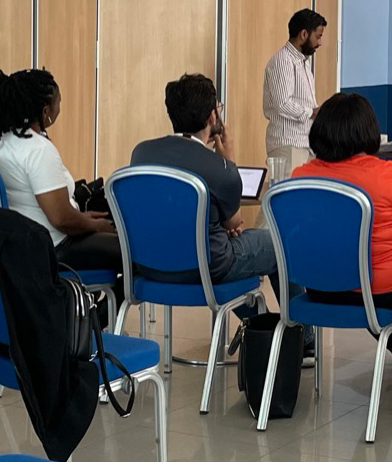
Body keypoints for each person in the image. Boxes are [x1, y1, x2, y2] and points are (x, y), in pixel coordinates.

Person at [131, 74, 314, 362]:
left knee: (236, 246)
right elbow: (235, 223)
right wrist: (229, 160)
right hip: (207, 267)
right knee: (276, 242)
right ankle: (303, 337)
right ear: (212, 115)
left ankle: (258, 324)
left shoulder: (141, 153)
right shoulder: (217, 166)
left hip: (152, 266)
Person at [292, 93, 392, 371]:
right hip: (382, 291)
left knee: (363, 287)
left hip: (320, 289)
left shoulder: (300, 176)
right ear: (368, 131)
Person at [0, 69, 122, 278]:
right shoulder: (37, 149)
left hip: (15, 245)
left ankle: (98, 305)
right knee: (132, 249)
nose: (60, 107)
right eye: (59, 102)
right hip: (52, 247)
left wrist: (80, 218)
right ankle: (105, 308)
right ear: (45, 112)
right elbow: (60, 219)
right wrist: (95, 225)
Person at [263, 8, 328, 180]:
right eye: (318, 36)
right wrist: (312, 112)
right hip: (288, 144)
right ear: (304, 34)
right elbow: (282, 103)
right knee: (283, 199)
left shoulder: (303, 63)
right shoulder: (283, 61)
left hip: (305, 143)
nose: (320, 43)